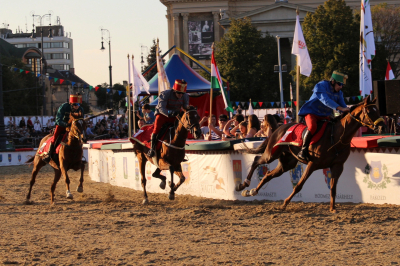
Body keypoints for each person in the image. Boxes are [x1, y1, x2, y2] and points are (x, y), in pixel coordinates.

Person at [297, 71, 350, 161]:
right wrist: (340, 108)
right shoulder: (321, 85)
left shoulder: (339, 93)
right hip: (311, 113)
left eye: (343, 85)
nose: (341, 87)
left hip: (325, 116)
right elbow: (326, 100)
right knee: (313, 127)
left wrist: (351, 110)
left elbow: (344, 107)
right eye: (340, 84)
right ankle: (303, 150)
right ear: (333, 82)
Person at [147, 79, 190, 158]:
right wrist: (170, 113)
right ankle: (152, 149)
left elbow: (185, 107)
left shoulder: (185, 96)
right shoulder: (165, 94)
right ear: (174, 90)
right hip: (163, 115)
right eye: (179, 93)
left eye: (182, 93)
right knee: (156, 129)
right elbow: (161, 108)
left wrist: (189, 109)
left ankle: (180, 149)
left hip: (175, 116)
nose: (181, 95)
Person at [43, 94, 84, 163]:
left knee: (80, 137)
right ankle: (49, 154)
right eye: (75, 104)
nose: (77, 106)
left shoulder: (81, 109)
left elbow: (81, 120)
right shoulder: (64, 107)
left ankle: (80, 156)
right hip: (62, 125)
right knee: (55, 137)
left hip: (73, 127)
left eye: (78, 104)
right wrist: (66, 124)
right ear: (71, 104)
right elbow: (58, 119)